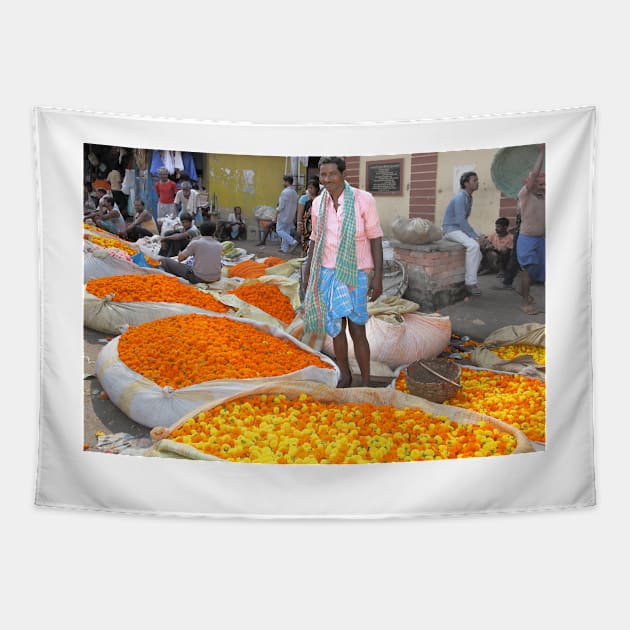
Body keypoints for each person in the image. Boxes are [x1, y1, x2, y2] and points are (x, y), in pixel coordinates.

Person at [302, 156, 384, 388]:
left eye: (332, 174)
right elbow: (315, 239)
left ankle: (366, 381)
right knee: (336, 329)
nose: (327, 180)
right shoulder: (318, 203)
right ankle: (345, 375)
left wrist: (378, 276)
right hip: (327, 271)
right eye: (323, 175)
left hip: (355, 272)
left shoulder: (363, 200)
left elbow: (375, 238)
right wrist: (309, 269)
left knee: (357, 329)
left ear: (343, 174)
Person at [442, 171, 483, 295]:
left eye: (477, 180)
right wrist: (474, 236)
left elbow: (463, 221)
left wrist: (478, 236)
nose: (477, 183)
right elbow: (461, 220)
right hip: (451, 229)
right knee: (474, 245)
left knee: (479, 252)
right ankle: (470, 283)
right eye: (474, 180)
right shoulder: (461, 197)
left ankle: (470, 275)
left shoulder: (469, 197)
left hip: (458, 228)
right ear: (466, 183)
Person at [516, 144, 546, 315]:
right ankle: (524, 302)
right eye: (539, 183)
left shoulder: (544, 197)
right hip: (527, 239)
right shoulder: (524, 194)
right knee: (527, 271)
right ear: (530, 184)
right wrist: (542, 153)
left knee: (536, 272)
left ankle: (523, 291)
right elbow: (534, 174)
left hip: (540, 239)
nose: (542, 185)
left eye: (544, 183)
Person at [275, 175, 300, 254]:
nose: (283, 183)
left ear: (286, 182)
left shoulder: (285, 192)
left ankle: (292, 241)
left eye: (283, 181)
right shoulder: (295, 193)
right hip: (290, 216)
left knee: (279, 230)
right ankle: (284, 249)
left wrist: (276, 213)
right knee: (286, 231)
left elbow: (281, 206)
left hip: (283, 215)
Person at [296, 178, 319, 257]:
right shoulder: (304, 199)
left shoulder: (320, 199)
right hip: (306, 227)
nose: (309, 190)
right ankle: (305, 261)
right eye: (308, 187)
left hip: (316, 226)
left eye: (312, 188)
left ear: (316, 188)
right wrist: (299, 225)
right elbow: (300, 213)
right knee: (306, 243)